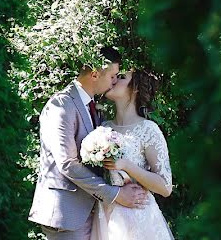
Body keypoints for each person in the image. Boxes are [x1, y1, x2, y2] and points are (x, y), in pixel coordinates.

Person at [29, 48, 151, 240]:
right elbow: (67, 163)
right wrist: (116, 194)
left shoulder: (93, 106)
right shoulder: (62, 105)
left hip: (90, 210)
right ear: (95, 74)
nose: (114, 81)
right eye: (112, 76)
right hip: (67, 213)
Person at [95, 70, 174, 240]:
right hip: (106, 216)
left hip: (138, 218)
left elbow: (166, 187)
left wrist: (127, 166)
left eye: (122, 77)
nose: (114, 79)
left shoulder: (149, 130)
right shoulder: (102, 128)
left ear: (135, 89)